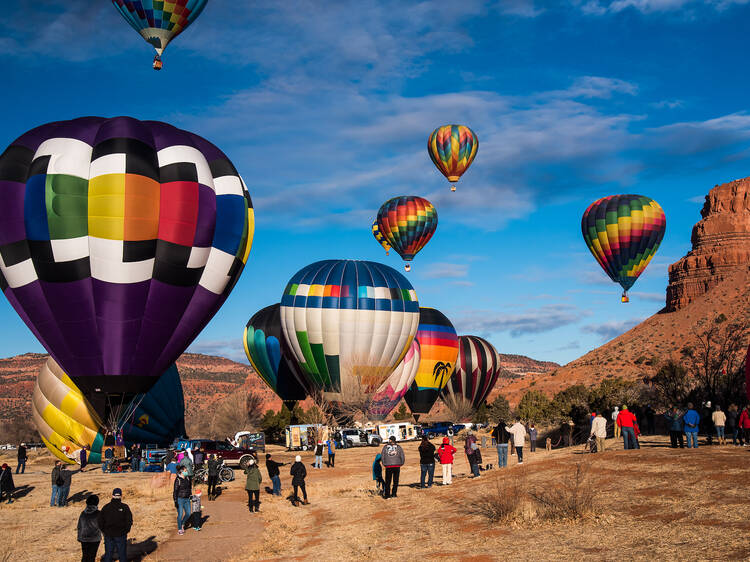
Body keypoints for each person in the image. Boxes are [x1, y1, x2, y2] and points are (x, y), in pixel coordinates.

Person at [98, 488, 132, 562]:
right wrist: (126, 530)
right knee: (122, 554)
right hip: (121, 534)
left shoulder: (106, 507)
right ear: (121, 496)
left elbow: (100, 521)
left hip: (109, 535)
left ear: (112, 496)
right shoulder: (125, 507)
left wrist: (104, 531)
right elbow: (129, 520)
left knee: (108, 554)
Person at [77, 494, 101, 562]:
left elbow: (79, 526)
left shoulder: (83, 513)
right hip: (94, 539)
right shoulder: (98, 514)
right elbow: (102, 526)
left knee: (85, 556)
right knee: (91, 557)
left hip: (84, 539)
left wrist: (79, 537)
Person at [173, 466, 192, 534]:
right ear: (181, 472)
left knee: (188, 513)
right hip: (180, 499)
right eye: (185, 471)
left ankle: (182, 523)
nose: (186, 472)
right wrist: (175, 501)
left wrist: (190, 495)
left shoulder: (187, 478)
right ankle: (180, 529)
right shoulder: (178, 480)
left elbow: (189, 488)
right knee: (180, 514)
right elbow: (175, 491)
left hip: (187, 499)